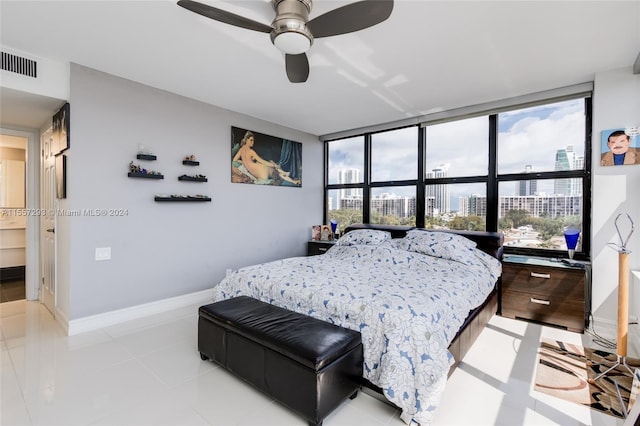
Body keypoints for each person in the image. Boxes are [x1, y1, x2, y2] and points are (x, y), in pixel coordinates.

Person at [232, 131, 301, 185]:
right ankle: (292, 179)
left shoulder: (241, 150)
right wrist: (274, 165)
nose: (253, 142)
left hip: (259, 175)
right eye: (251, 140)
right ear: (246, 140)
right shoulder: (251, 151)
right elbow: (262, 161)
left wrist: (242, 162)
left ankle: (287, 175)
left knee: (272, 165)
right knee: (275, 168)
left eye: (253, 140)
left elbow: (234, 160)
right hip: (263, 171)